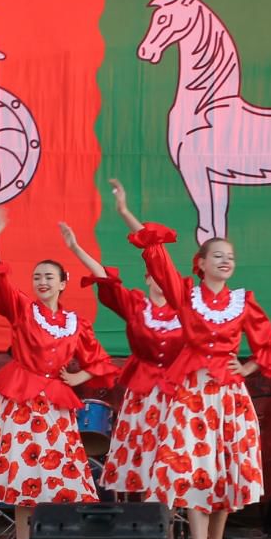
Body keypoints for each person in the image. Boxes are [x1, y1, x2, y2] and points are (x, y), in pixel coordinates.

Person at [121, 180, 271, 539]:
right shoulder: (186, 294)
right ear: (202, 262)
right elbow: (156, 258)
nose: (225, 261)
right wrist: (128, 213)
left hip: (229, 397)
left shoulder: (242, 300)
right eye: (218, 256)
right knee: (196, 477)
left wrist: (247, 369)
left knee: (225, 478)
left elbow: (269, 342)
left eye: (230, 256)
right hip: (193, 397)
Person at [0, 209, 118, 539]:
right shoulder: (23, 310)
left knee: (56, 479)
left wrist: (79, 380)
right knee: (23, 480)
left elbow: (101, 363)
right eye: (37, 277)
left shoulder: (74, 324)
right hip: (21, 402)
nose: (42, 281)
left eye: (49, 276)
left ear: (64, 283)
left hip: (54, 409)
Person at [60, 206, 186, 503]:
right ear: (146, 278)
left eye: (163, 274)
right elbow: (104, 277)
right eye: (152, 275)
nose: (158, 279)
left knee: (174, 456)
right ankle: (143, 527)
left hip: (178, 391)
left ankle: (168, 527)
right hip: (143, 391)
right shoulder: (135, 305)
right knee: (142, 457)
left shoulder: (186, 308)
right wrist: (76, 248)